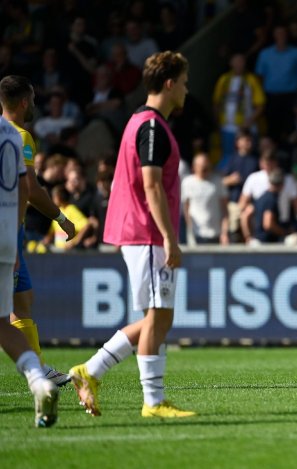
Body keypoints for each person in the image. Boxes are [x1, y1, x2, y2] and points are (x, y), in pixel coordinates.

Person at [68, 51, 196, 419]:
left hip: (141, 232)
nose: (187, 90)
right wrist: (170, 237)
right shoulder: (152, 126)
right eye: (184, 82)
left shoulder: (142, 121)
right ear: (169, 83)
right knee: (157, 315)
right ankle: (153, 402)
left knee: (160, 317)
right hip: (147, 232)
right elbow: (151, 185)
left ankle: (90, 371)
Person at [0, 75, 75, 386]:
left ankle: (39, 369)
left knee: (23, 299)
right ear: (22, 102)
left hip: (10, 228)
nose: (34, 105)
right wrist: (60, 216)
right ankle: (37, 371)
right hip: (8, 228)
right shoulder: (19, 136)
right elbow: (29, 189)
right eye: (31, 99)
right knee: (10, 309)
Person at [0, 113, 59, 428]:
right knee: (3, 321)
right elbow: (25, 189)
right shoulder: (12, 135)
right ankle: (39, 380)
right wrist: (14, 235)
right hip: (7, 236)